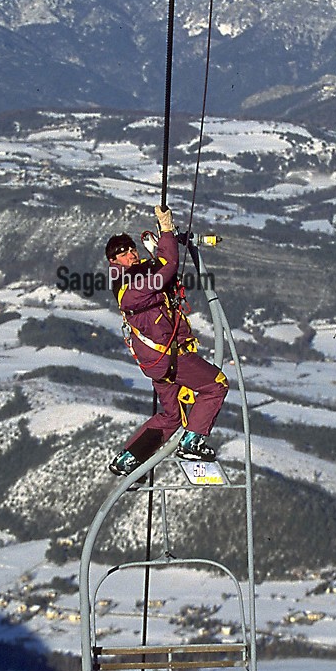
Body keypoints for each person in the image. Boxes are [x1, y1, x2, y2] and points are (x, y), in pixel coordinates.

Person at [104, 204, 228, 476]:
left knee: (172, 415)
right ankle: (192, 440)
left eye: (130, 249)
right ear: (113, 261)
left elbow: (159, 267)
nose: (130, 254)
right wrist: (167, 229)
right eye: (122, 253)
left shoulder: (129, 280)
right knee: (216, 385)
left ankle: (128, 458)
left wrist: (162, 243)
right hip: (171, 357)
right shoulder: (133, 286)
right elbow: (168, 267)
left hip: (157, 362)